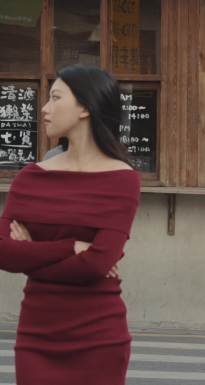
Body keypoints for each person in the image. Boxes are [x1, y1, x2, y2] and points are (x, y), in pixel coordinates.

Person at [0, 65, 140, 385]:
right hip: (37, 335)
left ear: (85, 108)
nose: (45, 109)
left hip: (99, 339)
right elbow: (3, 252)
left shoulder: (122, 180)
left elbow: (95, 266)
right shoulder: (30, 177)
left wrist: (30, 253)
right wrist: (69, 248)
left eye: (55, 98)